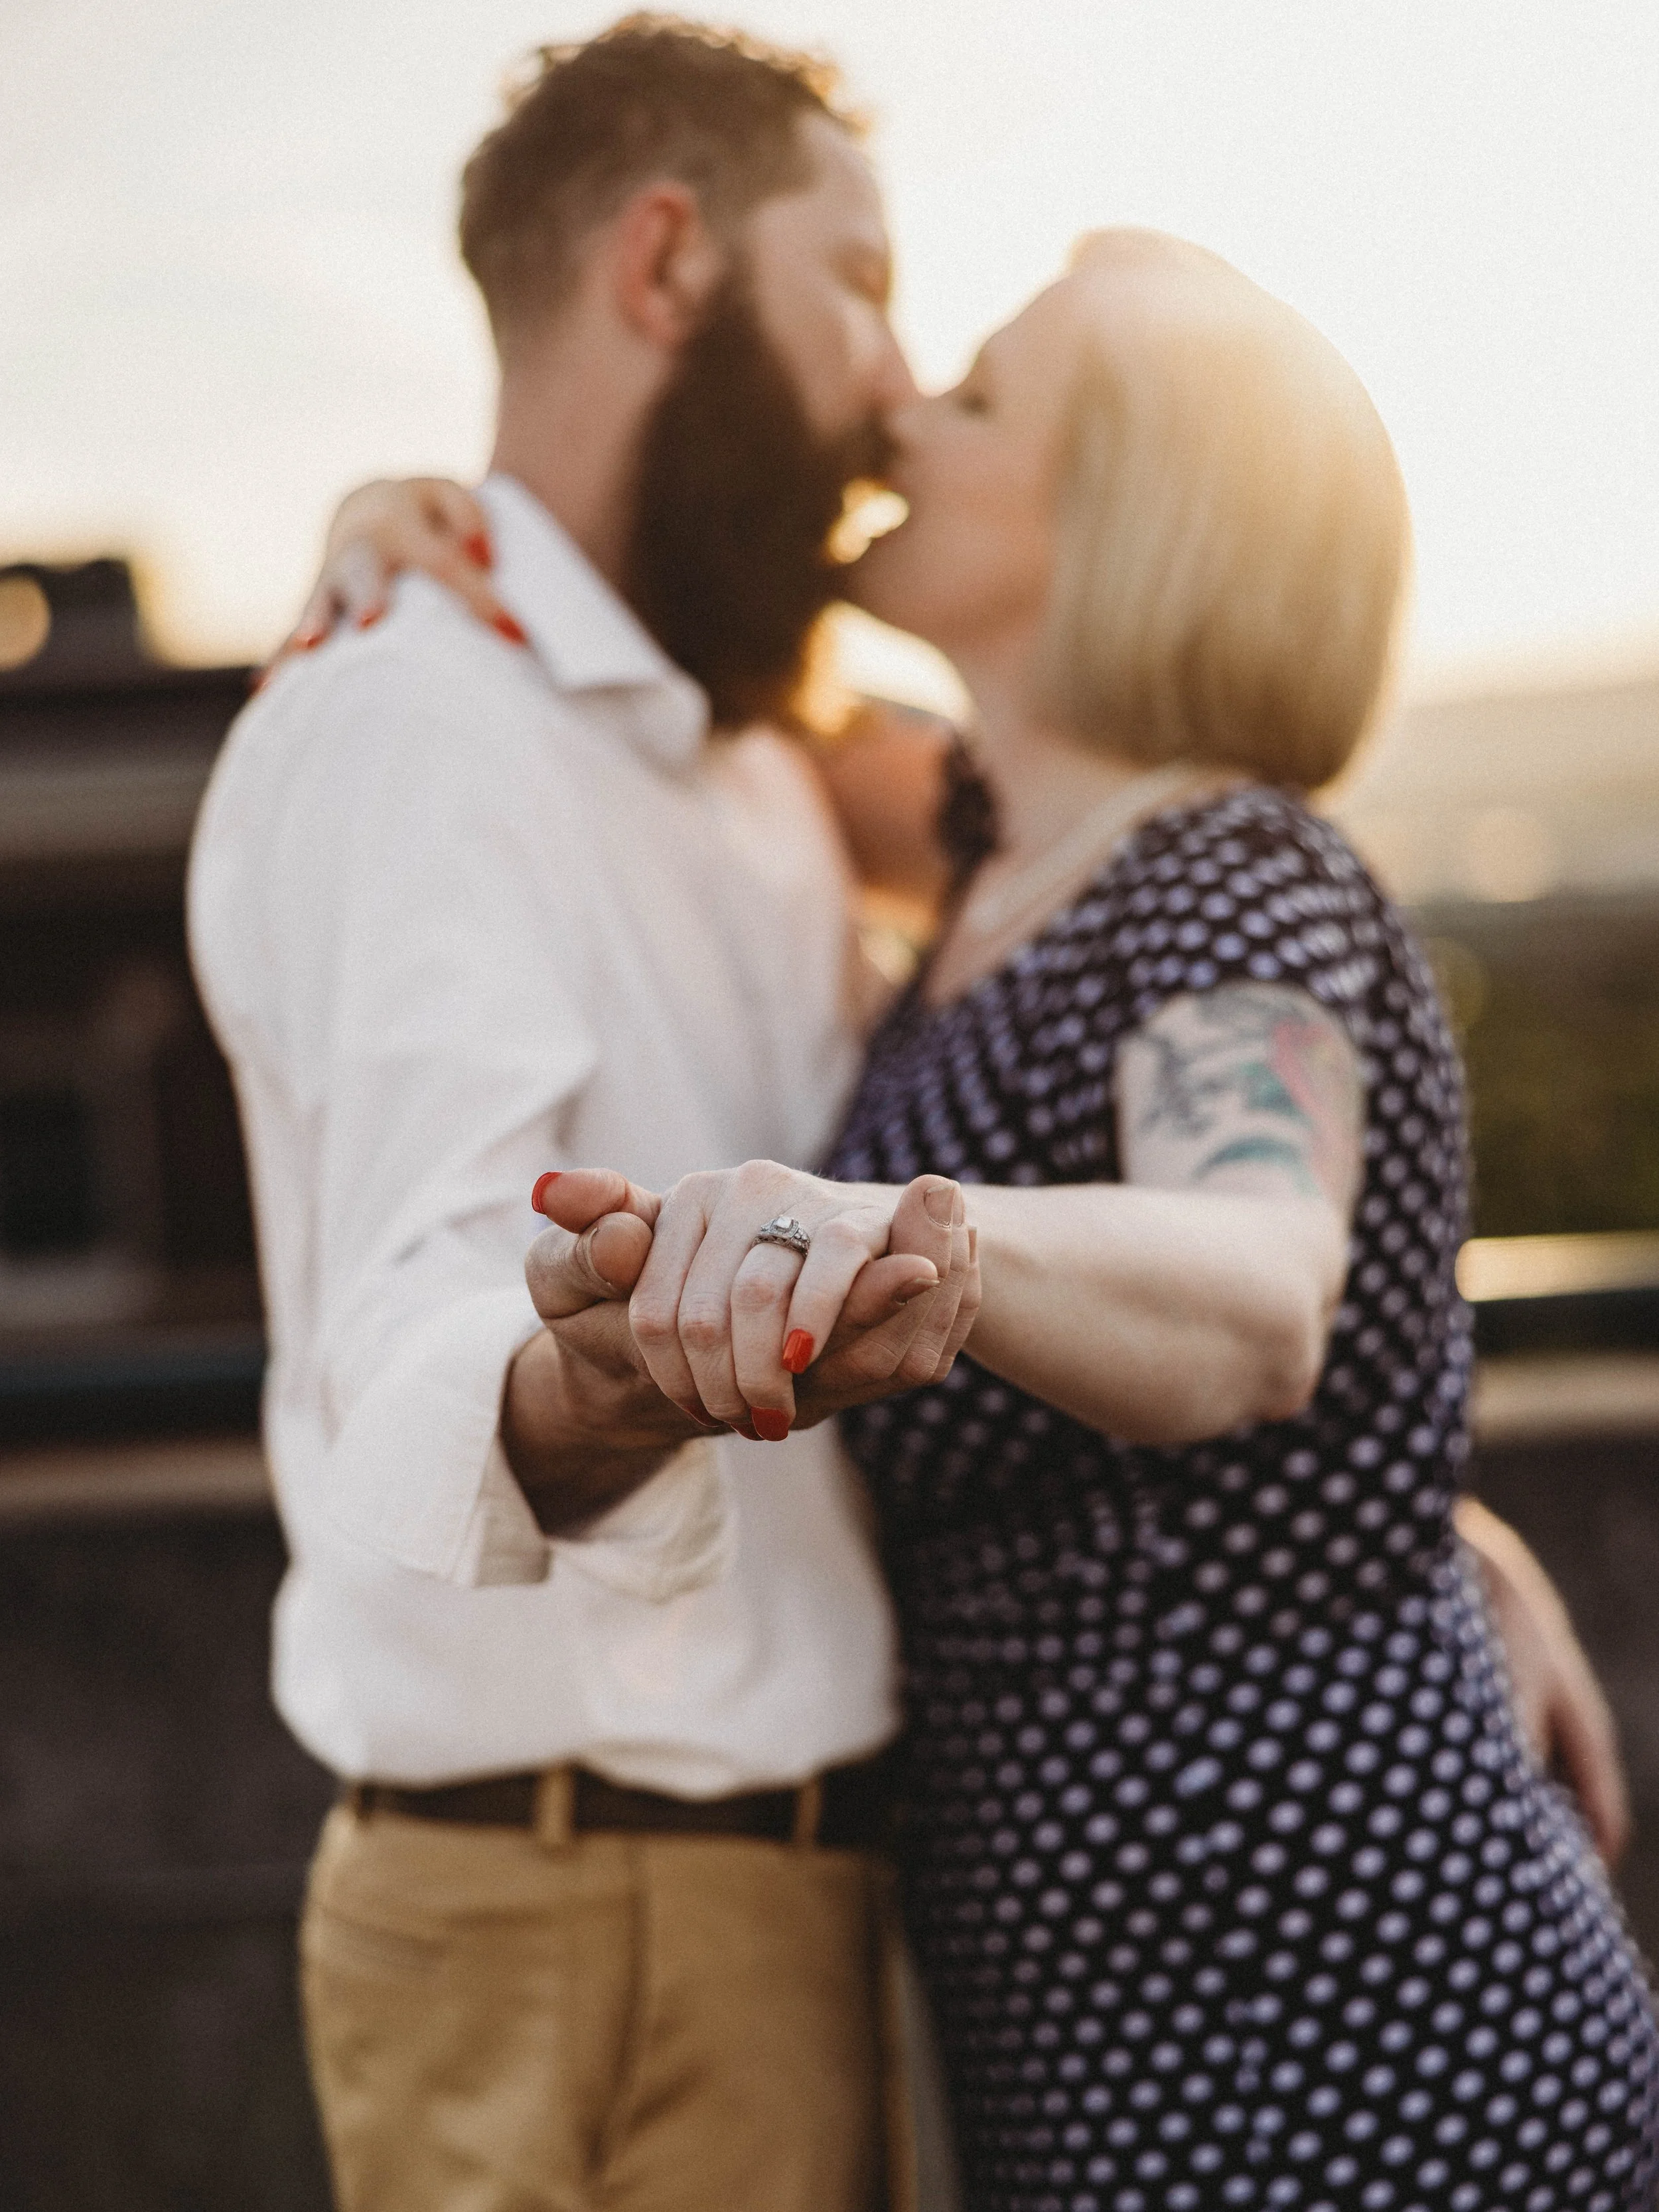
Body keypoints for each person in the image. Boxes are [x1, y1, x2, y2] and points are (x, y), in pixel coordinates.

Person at [341, 234, 1659, 2209]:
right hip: (1104, 2038)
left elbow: (1256, 1284)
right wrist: (430, 536)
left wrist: (913, 1238)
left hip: (1352, 2030)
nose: (897, 413)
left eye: (969, 397)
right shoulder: (982, 845)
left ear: (1113, 515)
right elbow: (667, 690)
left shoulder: (1232, 881)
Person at [188, 23, 981, 2212]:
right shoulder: (409, 726)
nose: (897, 388)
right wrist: (606, 1374)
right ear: (666, 264)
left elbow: (1128, 828)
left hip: (765, 1897)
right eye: (859, 281)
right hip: (581, 1917)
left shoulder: (745, 761)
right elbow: (421, 1319)